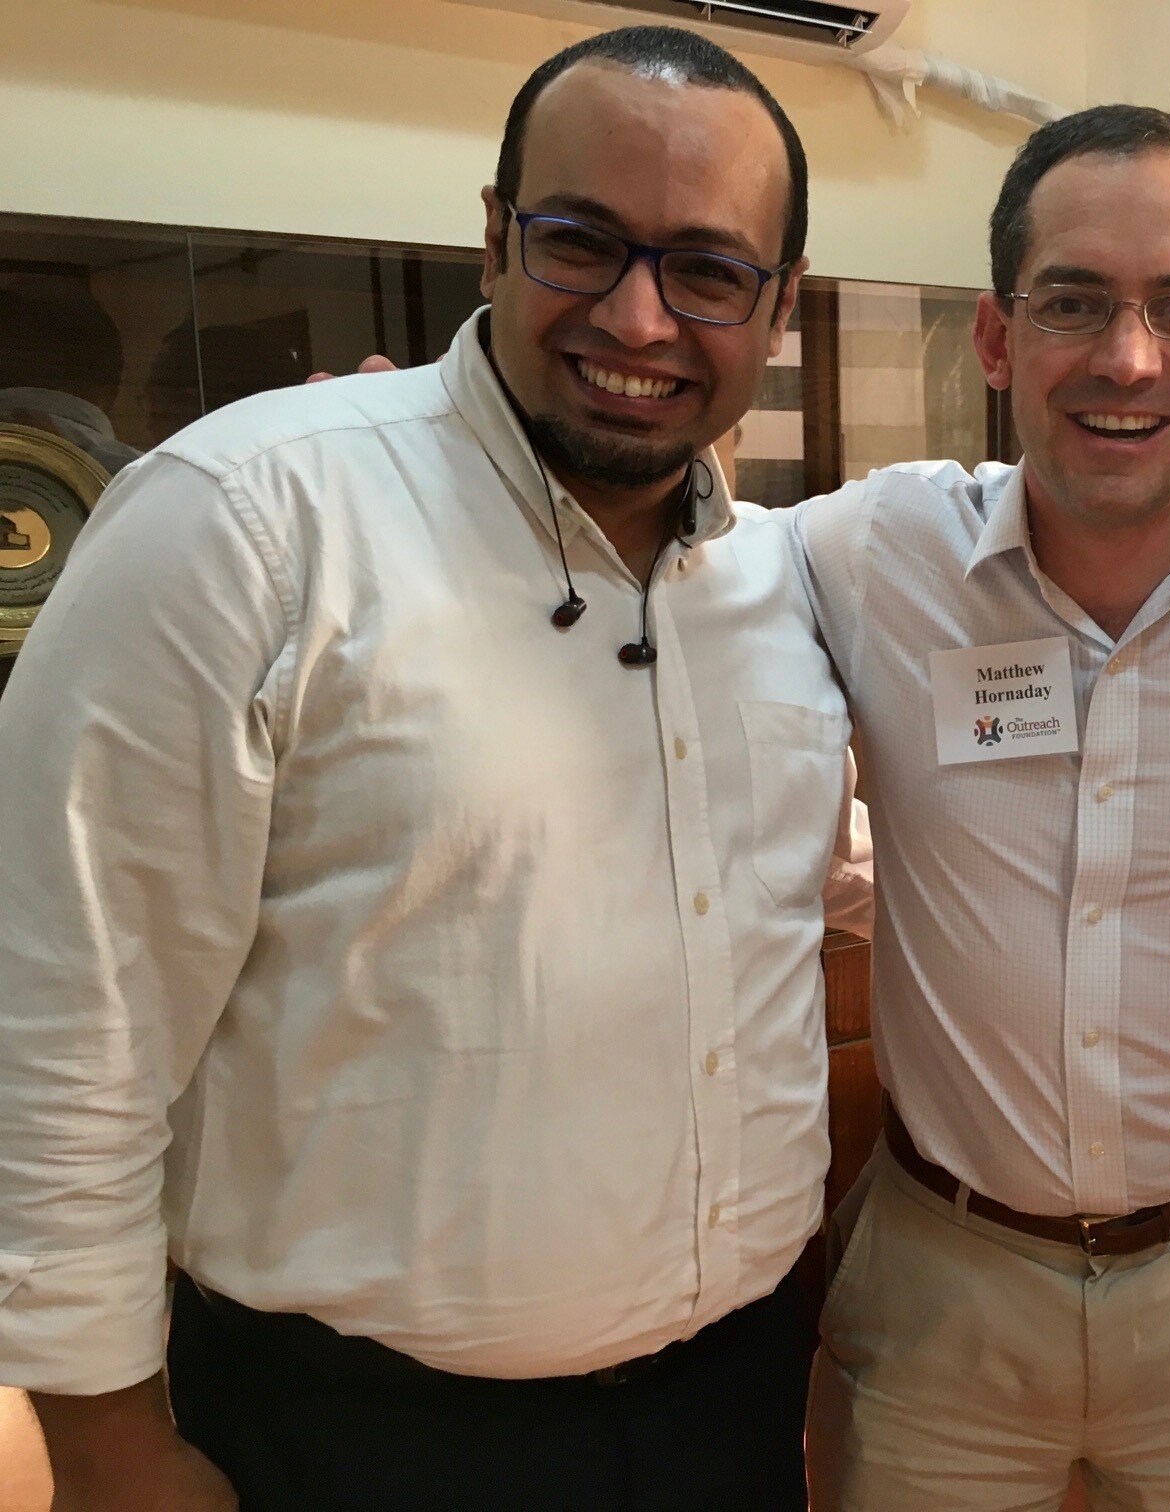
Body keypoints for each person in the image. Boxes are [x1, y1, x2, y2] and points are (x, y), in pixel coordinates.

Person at [0, 26, 868, 1510]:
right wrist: (109, 1447)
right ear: (492, 237)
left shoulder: (784, 578)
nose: (640, 318)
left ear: (780, 305)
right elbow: (64, 1018)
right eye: (581, 243)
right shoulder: (246, 522)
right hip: (347, 1438)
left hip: (728, 1408)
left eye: (709, 271)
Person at [792, 105, 1170, 1511]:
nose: (1126, 357)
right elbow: (646, 562)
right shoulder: (870, 551)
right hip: (944, 1290)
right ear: (998, 341)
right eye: (1074, 303)